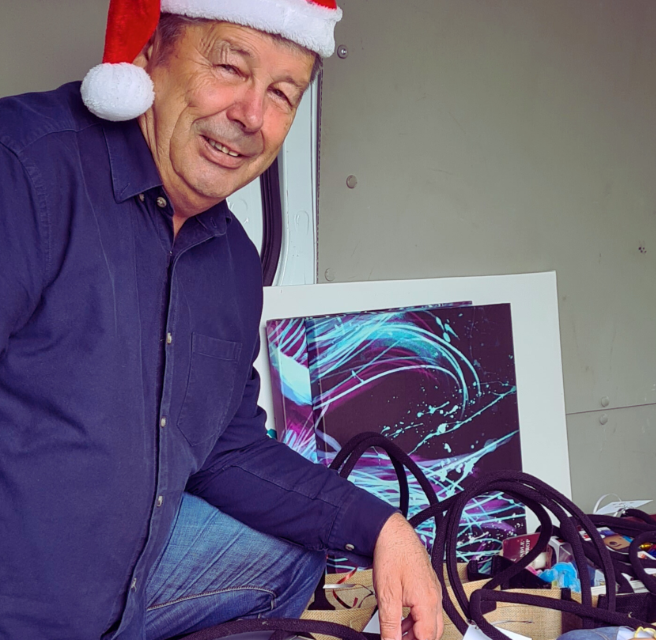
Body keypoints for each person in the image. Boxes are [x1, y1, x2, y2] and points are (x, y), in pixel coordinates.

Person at [0, 0, 444, 638]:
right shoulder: (23, 168)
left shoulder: (231, 261)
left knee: (292, 555)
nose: (251, 115)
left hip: (115, 591)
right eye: (231, 67)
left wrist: (384, 528)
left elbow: (224, 449)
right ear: (152, 50)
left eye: (282, 93)